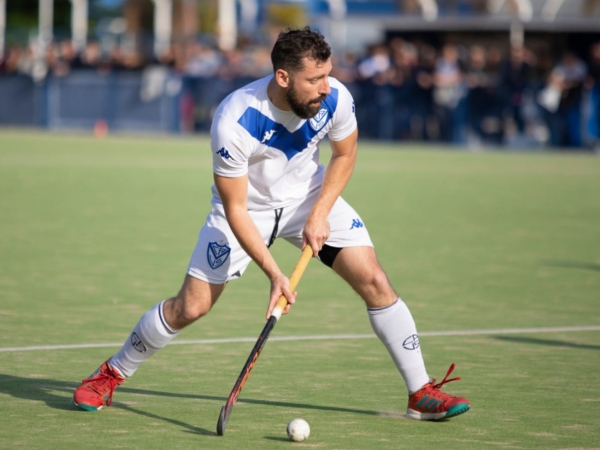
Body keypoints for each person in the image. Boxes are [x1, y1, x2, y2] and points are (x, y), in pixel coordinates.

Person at [72, 27, 470, 421]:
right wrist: (275, 274)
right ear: (283, 77)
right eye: (314, 79)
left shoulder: (335, 98)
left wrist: (318, 213)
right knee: (190, 306)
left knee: (375, 281)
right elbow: (237, 208)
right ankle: (111, 373)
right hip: (249, 209)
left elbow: (344, 156)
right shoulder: (235, 119)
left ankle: (420, 392)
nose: (326, 87)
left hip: (308, 197)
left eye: (328, 74)